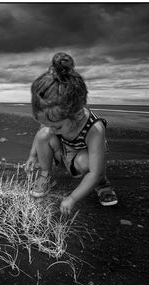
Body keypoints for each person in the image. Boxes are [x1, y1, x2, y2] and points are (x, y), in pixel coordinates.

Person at [25, 52, 118, 215]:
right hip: (65, 150)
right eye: (48, 124)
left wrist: (73, 198)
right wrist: (33, 156)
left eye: (57, 127)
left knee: (88, 164)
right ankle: (45, 175)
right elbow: (44, 132)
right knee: (43, 135)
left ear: (77, 114)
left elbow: (95, 171)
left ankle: (103, 185)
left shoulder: (94, 129)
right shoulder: (54, 118)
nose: (52, 130)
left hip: (84, 155)